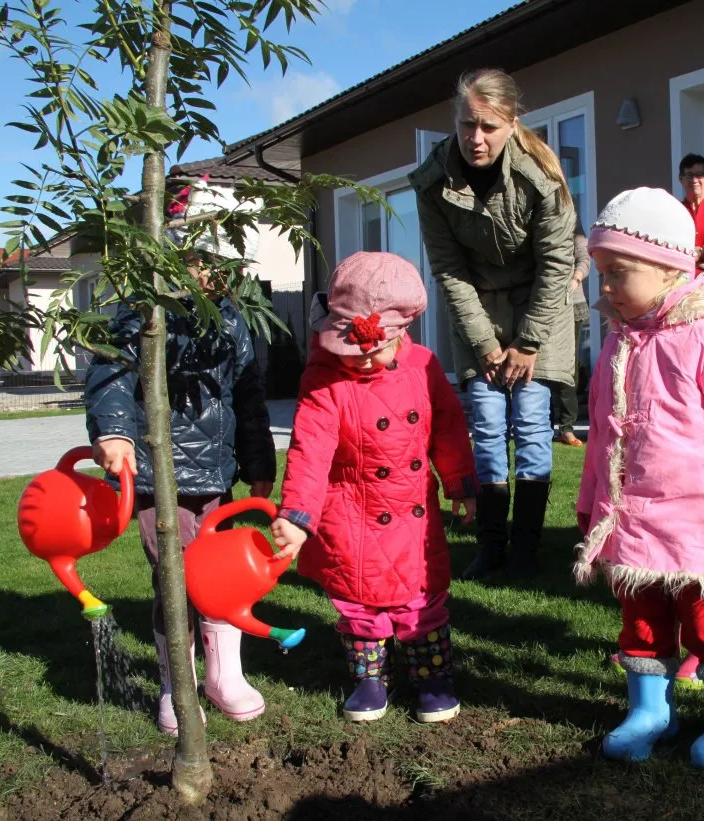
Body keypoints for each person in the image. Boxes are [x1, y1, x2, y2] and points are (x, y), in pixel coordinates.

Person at [574, 187, 704, 772]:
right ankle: (650, 711)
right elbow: (602, 432)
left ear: (668, 267)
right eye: (601, 273)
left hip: (701, 522)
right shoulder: (618, 340)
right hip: (633, 519)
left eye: (618, 272)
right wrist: (592, 501)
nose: (606, 286)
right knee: (641, 621)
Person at [85, 178, 277, 735]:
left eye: (224, 264)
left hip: (213, 474)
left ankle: (224, 674)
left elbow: (248, 396)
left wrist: (259, 464)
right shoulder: (143, 313)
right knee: (173, 576)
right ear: (174, 255)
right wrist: (115, 432)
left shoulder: (233, 319)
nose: (213, 274)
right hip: (155, 474)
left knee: (218, 572)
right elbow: (112, 374)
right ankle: (178, 684)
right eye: (203, 260)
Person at [271, 252, 478, 723]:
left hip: (411, 508)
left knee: (423, 595)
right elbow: (309, 449)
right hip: (351, 510)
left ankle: (432, 675)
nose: (362, 358)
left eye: (373, 349)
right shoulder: (323, 378)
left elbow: (448, 428)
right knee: (359, 599)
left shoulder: (424, 366)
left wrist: (460, 484)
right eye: (352, 349)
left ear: (402, 331)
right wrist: (298, 515)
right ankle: (370, 678)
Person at [409, 68, 576, 581]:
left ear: (512, 123)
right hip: (476, 309)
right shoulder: (432, 182)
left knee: (531, 424)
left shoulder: (541, 175)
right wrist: (483, 342)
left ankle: (525, 549)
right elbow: (448, 270)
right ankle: (490, 546)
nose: (475, 138)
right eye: (466, 125)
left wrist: (528, 342)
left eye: (488, 126)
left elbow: (556, 264)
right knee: (485, 425)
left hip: (539, 308)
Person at [542, 218, 590, 448]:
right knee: (544, 363)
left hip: (572, 304)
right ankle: (544, 424)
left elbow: (584, 257)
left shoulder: (573, 222)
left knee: (568, 364)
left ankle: (567, 427)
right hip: (543, 303)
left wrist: (576, 278)